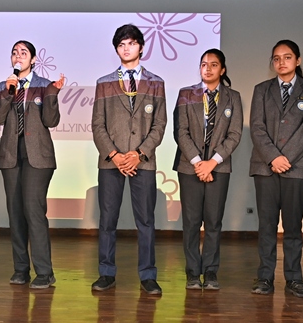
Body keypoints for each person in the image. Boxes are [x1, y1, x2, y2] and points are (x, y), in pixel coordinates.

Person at [90, 24, 167, 295]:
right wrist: (115, 155)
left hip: (142, 162)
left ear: (141, 47)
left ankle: (148, 276)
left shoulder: (156, 83)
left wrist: (138, 154)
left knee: (145, 221)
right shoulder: (104, 83)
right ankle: (106, 273)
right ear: (116, 49)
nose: (126, 48)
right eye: (121, 45)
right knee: (107, 221)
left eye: (131, 43)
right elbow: (97, 124)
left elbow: (160, 124)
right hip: (111, 162)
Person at [0, 40, 66, 289]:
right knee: (15, 212)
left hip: (38, 155)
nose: (18, 56)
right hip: (11, 154)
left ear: (33, 59)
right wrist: (8, 93)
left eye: (23, 53)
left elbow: (51, 121)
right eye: (14, 53)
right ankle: (21, 269)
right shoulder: (3, 86)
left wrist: (52, 95)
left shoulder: (44, 85)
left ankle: (44, 272)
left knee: (33, 210)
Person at [249, 39, 303, 298]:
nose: (281, 62)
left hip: (296, 168)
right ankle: (265, 277)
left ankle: (294, 278)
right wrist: (273, 158)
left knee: (293, 226)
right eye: (276, 58)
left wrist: (284, 159)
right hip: (265, 167)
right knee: (266, 225)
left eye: (287, 57)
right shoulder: (262, 90)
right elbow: (256, 128)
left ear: (298, 60)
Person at [174, 49, 243, 291]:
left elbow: (235, 134)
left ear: (222, 70)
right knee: (191, 222)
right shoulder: (186, 94)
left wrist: (212, 162)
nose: (208, 68)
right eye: (204, 64)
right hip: (189, 167)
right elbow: (180, 132)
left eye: (214, 64)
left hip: (218, 167)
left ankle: (211, 271)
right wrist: (198, 162)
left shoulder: (233, 97)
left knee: (213, 222)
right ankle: (193, 272)